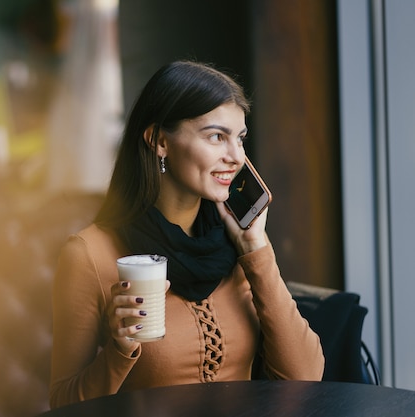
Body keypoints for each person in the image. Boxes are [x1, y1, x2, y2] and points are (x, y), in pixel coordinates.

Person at [49, 60, 325, 408]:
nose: (236, 157)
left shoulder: (235, 242)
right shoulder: (90, 254)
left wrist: (256, 248)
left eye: (240, 139)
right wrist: (119, 350)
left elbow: (307, 377)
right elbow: (63, 405)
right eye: (216, 137)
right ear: (159, 141)